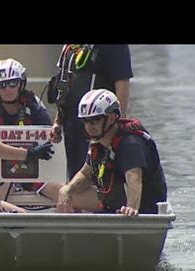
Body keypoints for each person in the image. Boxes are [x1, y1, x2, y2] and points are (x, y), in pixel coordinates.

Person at [55, 89, 167, 217]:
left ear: (112, 117)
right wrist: (67, 190)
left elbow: (134, 179)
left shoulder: (130, 144)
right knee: (55, 189)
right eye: (85, 121)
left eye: (95, 120)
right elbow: (86, 174)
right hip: (111, 205)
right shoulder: (99, 143)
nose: (89, 126)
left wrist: (131, 208)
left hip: (142, 211)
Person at [48, 45, 133, 180]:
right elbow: (64, 85)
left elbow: (122, 86)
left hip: (100, 125)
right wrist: (58, 121)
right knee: (74, 175)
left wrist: (118, 128)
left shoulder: (116, 47)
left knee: (95, 177)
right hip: (71, 126)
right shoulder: (70, 46)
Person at [0, 58, 53, 200]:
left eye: (13, 83)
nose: (8, 89)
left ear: (21, 83)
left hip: (34, 172)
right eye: (2, 85)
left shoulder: (34, 106)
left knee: (64, 192)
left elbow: (50, 138)